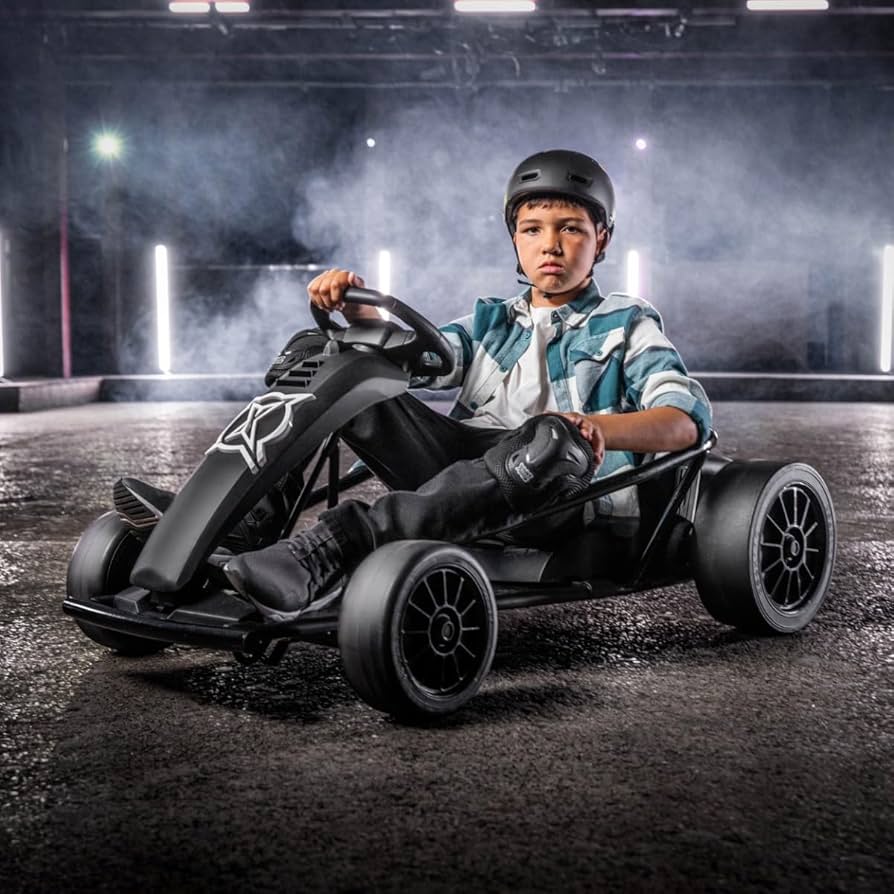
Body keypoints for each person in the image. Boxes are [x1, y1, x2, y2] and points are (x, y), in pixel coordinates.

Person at [223, 149, 713, 621]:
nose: (550, 245)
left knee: (550, 440)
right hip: (464, 477)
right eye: (533, 229)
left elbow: (686, 422)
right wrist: (359, 317)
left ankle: (333, 547)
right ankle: (240, 528)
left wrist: (592, 428)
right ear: (515, 239)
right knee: (329, 361)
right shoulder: (489, 323)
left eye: (570, 228)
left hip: (562, 491)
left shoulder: (626, 322)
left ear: (601, 240)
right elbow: (410, 363)